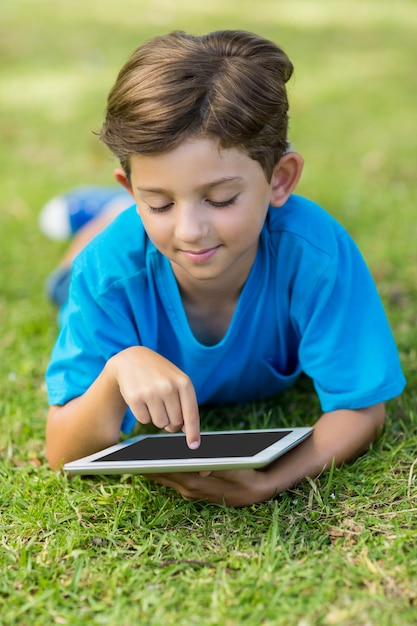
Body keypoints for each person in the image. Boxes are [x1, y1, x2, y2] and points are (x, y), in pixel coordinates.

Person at [45, 29, 406, 507]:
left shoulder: (315, 253)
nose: (191, 230)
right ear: (135, 192)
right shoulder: (109, 272)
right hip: (100, 263)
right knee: (72, 273)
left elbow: (361, 410)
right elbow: (62, 449)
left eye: (220, 199)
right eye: (157, 202)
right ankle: (99, 214)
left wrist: (269, 481)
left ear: (280, 179)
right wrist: (115, 374)